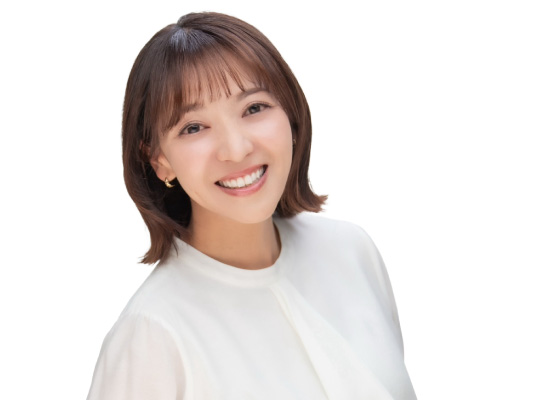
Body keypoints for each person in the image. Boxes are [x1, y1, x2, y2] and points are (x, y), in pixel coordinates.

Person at [86, 12, 416, 400]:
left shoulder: (351, 251)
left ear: (290, 112)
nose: (237, 148)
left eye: (254, 108)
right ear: (159, 160)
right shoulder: (152, 334)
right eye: (193, 127)